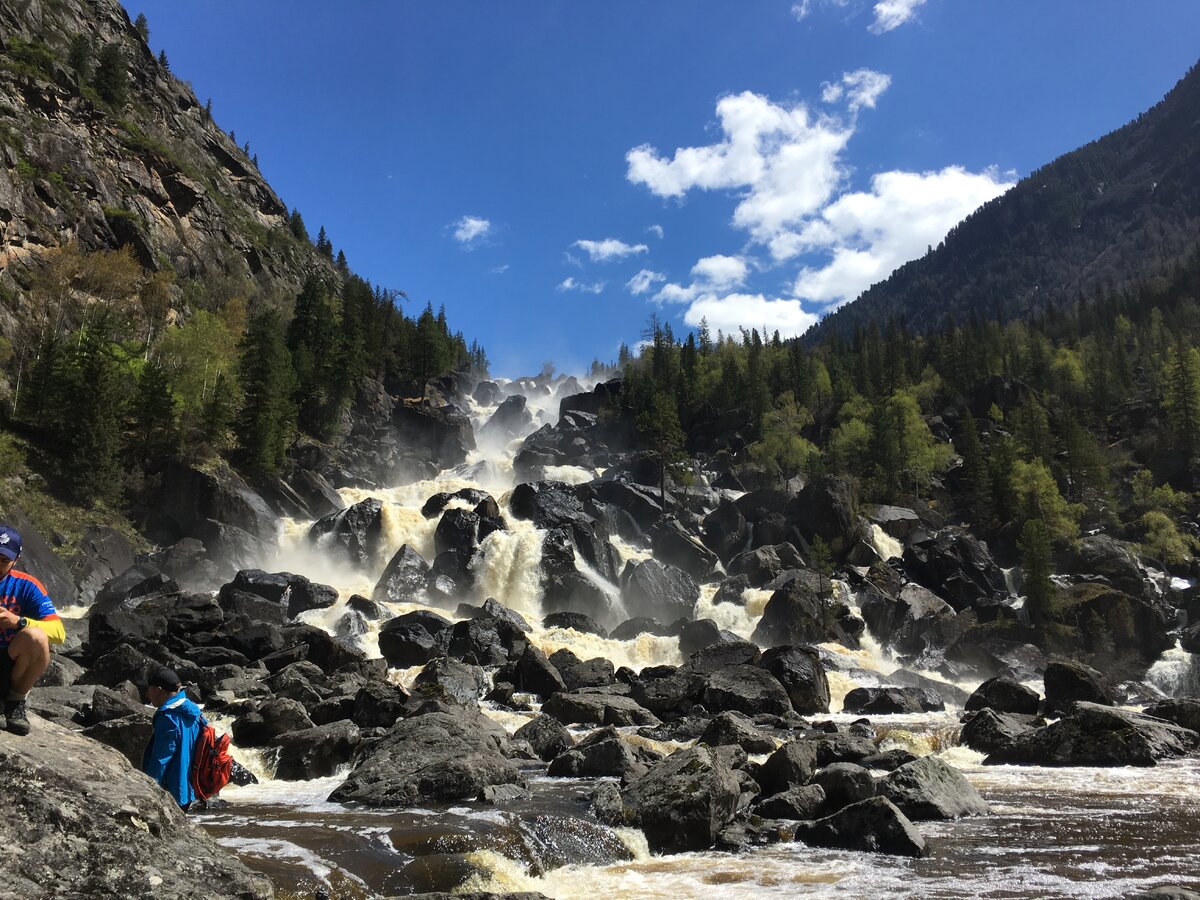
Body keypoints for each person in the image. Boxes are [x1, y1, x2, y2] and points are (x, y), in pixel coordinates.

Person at [0, 524, 66, 736]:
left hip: (9, 660)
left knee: (37, 637)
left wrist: (18, 622)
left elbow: (59, 633)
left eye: (4, 561)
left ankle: (14, 703)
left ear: (16, 560)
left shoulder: (27, 586)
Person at [141, 666, 203, 809]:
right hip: (189, 788)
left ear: (159, 690)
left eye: (149, 689)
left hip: (170, 790)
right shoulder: (193, 711)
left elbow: (161, 758)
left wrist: (148, 788)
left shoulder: (168, 717)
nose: (146, 695)